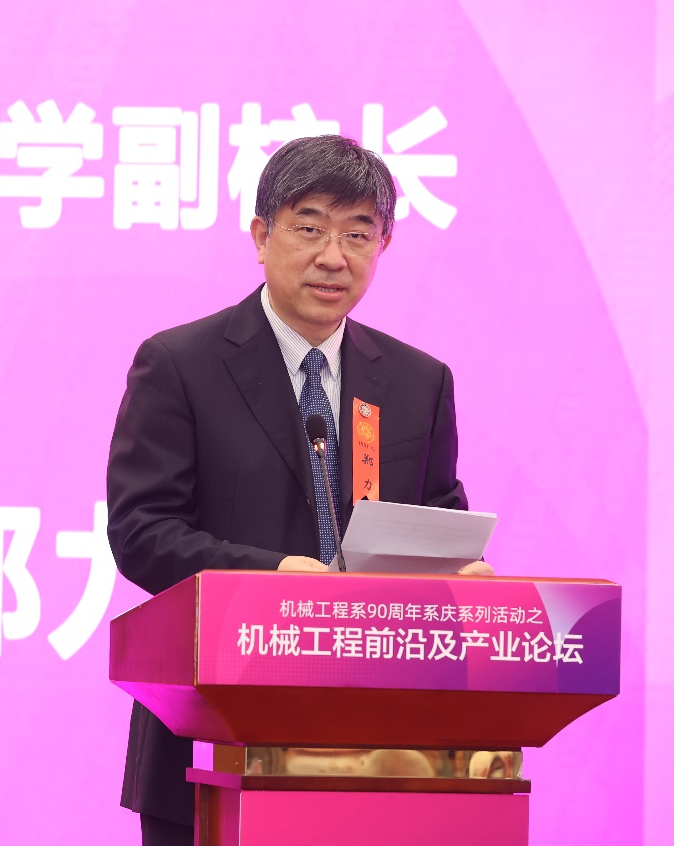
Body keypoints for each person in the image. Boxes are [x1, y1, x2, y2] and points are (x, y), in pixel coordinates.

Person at [106, 135, 490, 846]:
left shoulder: (418, 382)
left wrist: (458, 578)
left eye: (357, 234)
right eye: (309, 228)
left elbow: (437, 519)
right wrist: (272, 577)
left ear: (382, 245)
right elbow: (143, 532)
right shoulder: (180, 365)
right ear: (261, 236)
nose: (333, 256)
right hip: (212, 737)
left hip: (380, 750)